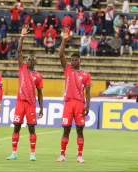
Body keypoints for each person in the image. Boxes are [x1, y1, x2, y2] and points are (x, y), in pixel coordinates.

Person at [6, 26, 43, 161]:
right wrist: (22, 36)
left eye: (32, 60)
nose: (30, 61)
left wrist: (42, 108)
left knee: (31, 129)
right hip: (20, 103)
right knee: (16, 127)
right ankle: (14, 153)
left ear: (35, 62)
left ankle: (32, 154)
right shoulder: (22, 68)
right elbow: (19, 50)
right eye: (28, 60)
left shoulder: (38, 76)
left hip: (31, 105)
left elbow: (40, 93)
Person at [56, 28, 91, 163]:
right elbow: (60, 54)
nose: (73, 62)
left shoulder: (86, 75)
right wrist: (64, 40)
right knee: (66, 129)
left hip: (80, 104)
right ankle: (62, 155)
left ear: (80, 60)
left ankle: (80, 155)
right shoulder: (68, 69)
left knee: (80, 130)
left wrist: (87, 106)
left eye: (75, 60)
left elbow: (88, 93)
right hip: (68, 103)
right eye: (71, 60)